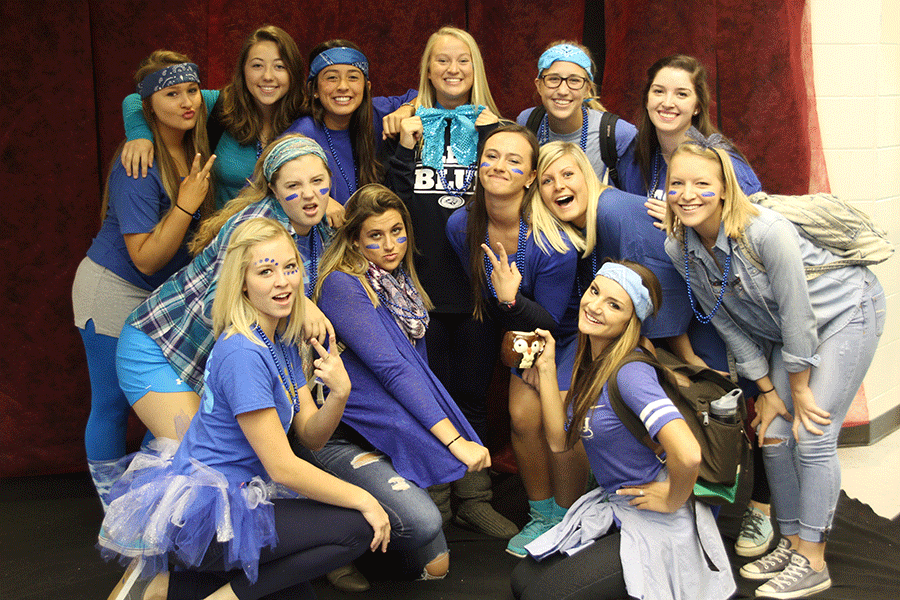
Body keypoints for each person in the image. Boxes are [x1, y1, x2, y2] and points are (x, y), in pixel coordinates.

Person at [99, 217, 390, 600]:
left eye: (289, 267)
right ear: (242, 282)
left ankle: (166, 589)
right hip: (212, 514)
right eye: (266, 271)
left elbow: (311, 436)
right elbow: (283, 467)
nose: (283, 281)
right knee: (358, 528)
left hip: (250, 494)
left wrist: (338, 394)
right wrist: (366, 498)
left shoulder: (280, 337)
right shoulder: (243, 353)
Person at [663, 138, 886, 598]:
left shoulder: (766, 231)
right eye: (676, 183)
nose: (687, 194)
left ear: (724, 189)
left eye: (702, 184)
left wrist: (798, 389)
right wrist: (766, 389)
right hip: (790, 336)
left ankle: (814, 559)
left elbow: (798, 313)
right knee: (775, 434)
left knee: (813, 434)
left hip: (845, 312)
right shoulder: (678, 247)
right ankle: (790, 541)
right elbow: (725, 320)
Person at [510, 260, 736, 600]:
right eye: (595, 291)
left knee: (540, 595)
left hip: (658, 522)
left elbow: (688, 455)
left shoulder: (630, 373)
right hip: (617, 510)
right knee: (522, 579)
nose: (595, 306)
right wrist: (546, 366)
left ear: (631, 320)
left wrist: (673, 498)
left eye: (614, 304)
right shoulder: (593, 362)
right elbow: (559, 442)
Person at [307, 183, 488, 580]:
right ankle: (328, 542)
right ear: (354, 242)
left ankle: (366, 514)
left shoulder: (401, 286)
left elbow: (415, 374)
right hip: (343, 436)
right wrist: (454, 440)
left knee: (435, 567)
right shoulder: (343, 285)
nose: (390, 245)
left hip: (386, 433)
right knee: (422, 524)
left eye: (397, 231)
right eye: (375, 235)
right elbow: (393, 370)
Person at [630, 55, 773, 553]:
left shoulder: (721, 157)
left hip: (733, 301)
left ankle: (761, 508)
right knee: (702, 400)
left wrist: (684, 213)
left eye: (681, 94)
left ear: (698, 105)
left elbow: (751, 224)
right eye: (658, 92)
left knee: (751, 400)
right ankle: (701, 505)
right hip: (683, 300)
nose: (667, 103)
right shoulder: (642, 156)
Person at [382, 25, 515, 538]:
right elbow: (394, 200)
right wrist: (404, 147)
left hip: (476, 284)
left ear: (475, 68)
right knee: (426, 394)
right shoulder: (407, 125)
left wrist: (489, 135)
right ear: (428, 69)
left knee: (474, 392)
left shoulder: (493, 129)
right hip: (420, 285)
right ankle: (434, 497)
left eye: (463, 60)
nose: (453, 69)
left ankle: (473, 495)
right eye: (442, 61)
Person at [116, 135, 334, 445]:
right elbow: (216, 307)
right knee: (201, 459)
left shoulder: (317, 227)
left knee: (172, 462)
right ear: (273, 189)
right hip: (160, 345)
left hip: (203, 356)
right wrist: (302, 305)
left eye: (318, 181)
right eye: (293, 187)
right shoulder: (256, 227)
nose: (309, 195)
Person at [72, 50, 215, 509]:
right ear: (150, 105)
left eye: (191, 90)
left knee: (175, 397)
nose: (187, 103)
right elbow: (147, 259)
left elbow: (237, 95)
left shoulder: (192, 133)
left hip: (161, 299)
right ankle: (115, 509)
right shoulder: (138, 164)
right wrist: (188, 203)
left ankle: (159, 497)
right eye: (171, 95)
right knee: (112, 402)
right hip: (113, 288)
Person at [445, 124, 581, 557]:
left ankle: (573, 512)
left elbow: (551, 321)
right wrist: (507, 318)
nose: (499, 165)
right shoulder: (460, 225)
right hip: (521, 331)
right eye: (492, 155)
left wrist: (509, 302)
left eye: (514, 160)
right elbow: (488, 298)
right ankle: (543, 514)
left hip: (570, 334)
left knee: (555, 417)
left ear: (530, 177)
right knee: (521, 416)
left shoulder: (553, 241)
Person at [531, 141, 692, 381]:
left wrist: (686, 360)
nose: (559, 186)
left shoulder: (612, 211)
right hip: (636, 337)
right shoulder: (573, 229)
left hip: (686, 333)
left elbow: (658, 289)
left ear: (586, 176)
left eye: (568, 174)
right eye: (547, 180)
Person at [120, 25, 307, 210]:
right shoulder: (222, 104)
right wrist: (139, 134)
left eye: (279, 66)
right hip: (222, 235)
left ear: (293, 72)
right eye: (257, 65)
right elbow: (137, 99)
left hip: (286, 236)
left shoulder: (306, 118)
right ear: (243, 70)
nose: (267, 76)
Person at [283, 39, 417, 210]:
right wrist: (320, 201)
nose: (343, 86)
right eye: (332, 78)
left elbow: (428, 95)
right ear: (314, 89)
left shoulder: (377, 112)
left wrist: (407, 108)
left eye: (353, 77)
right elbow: (267, 183)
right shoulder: (302, 132)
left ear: (367, 87)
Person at [517, 41, 638, 187]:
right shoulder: (528, 122)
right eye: (553, 79)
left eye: (574, 81)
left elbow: (633, 201)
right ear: (539, 86)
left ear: (587, 88)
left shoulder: (618, 134)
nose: (562, 90)